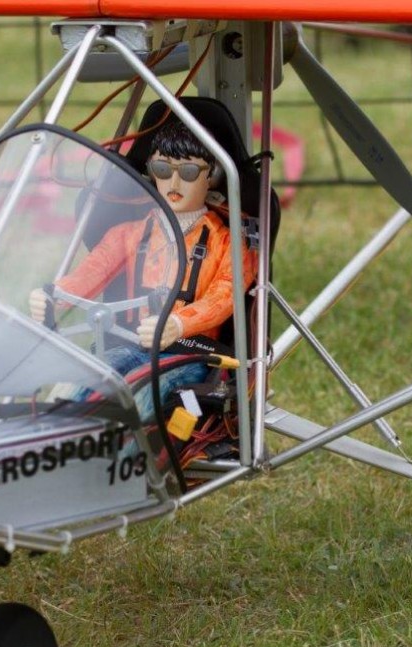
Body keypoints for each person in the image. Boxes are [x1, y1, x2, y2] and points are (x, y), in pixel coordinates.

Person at [29, 117, 257, 421]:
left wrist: (179, 323)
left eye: (188, 172)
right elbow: (93, 270)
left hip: (189, 353)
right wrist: (55, 296)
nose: (174, 184)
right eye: (163, 170)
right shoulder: (130, 234)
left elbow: (224, 295)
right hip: (129, 343)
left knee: (142, 402)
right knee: (74, 389)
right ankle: (57, 439)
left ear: (211, 177)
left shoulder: (228, 243)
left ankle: (127, 449)